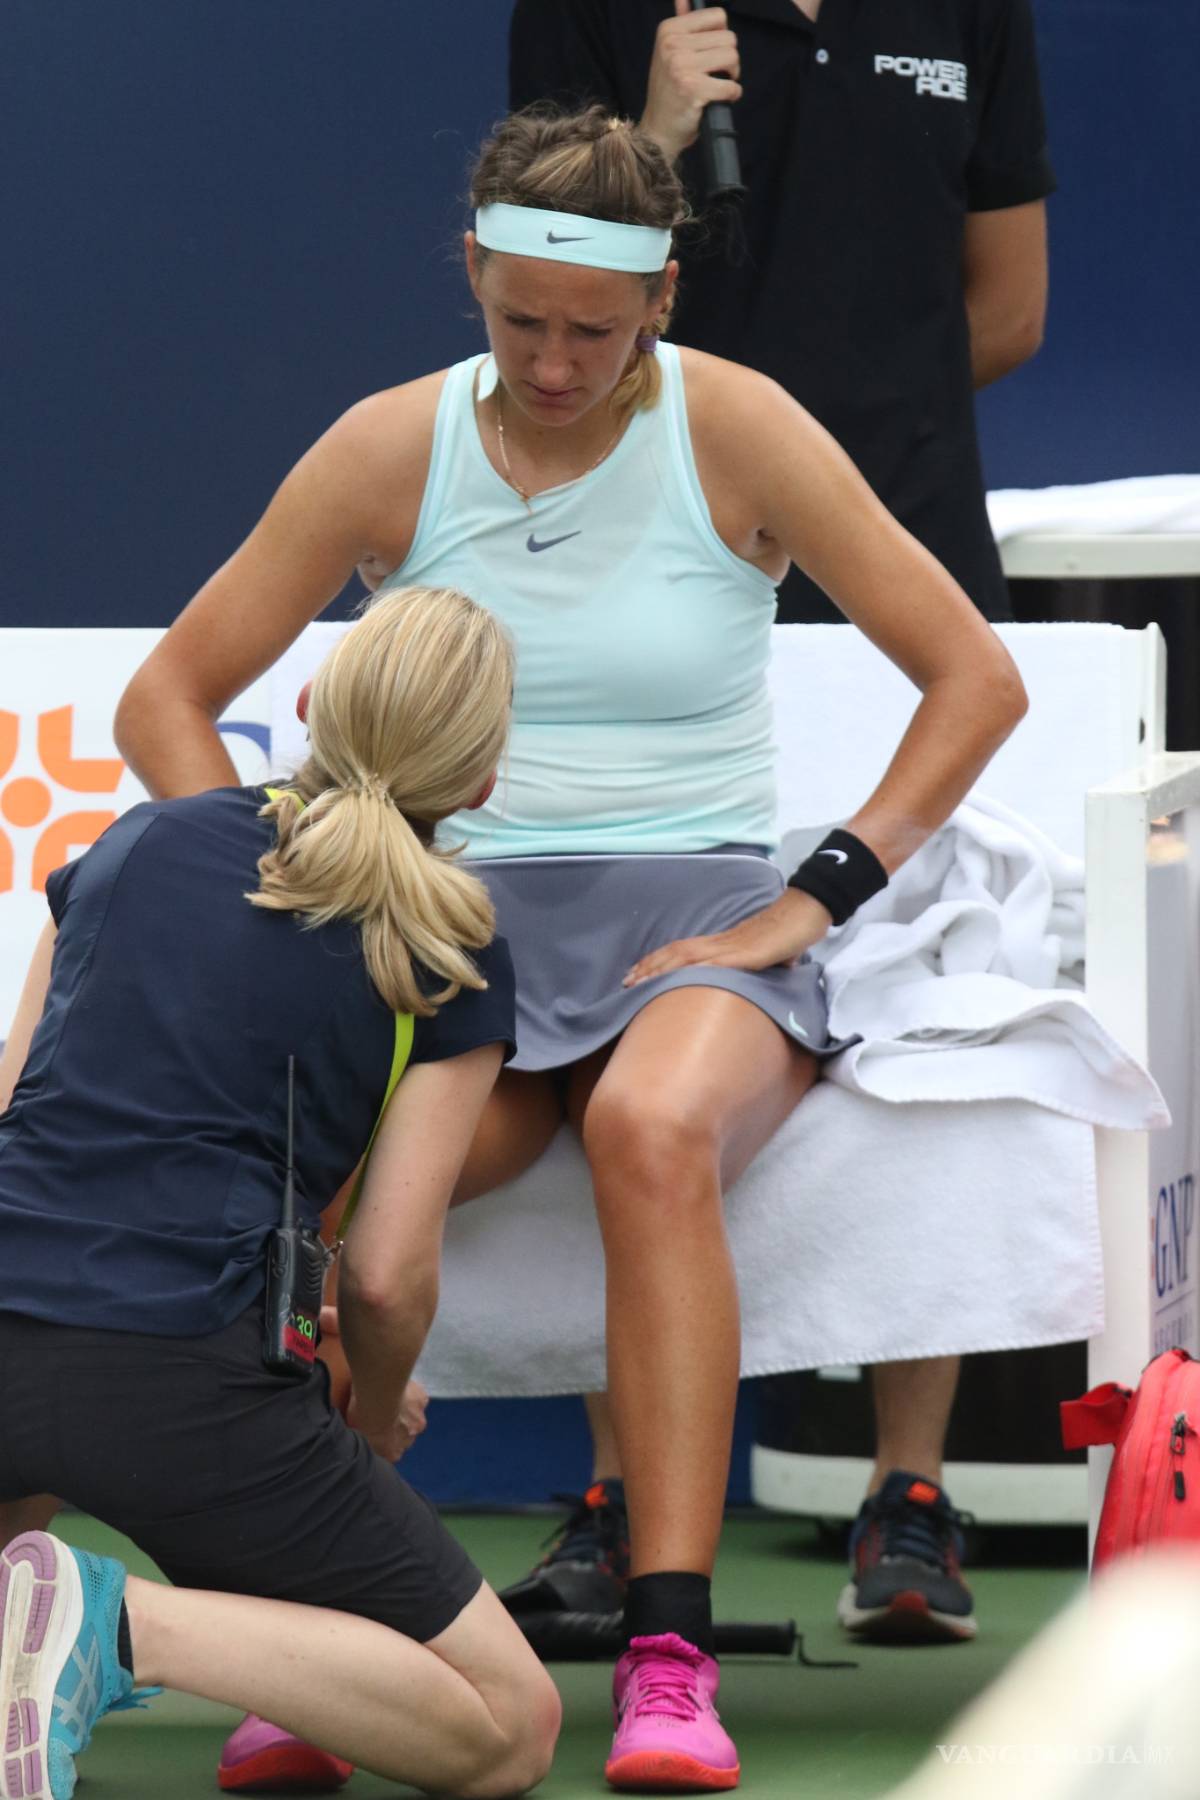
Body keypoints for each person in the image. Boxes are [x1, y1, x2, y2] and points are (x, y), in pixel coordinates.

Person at [111, 106, 1026, 1792]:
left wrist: (810, 899)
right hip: (464, 946)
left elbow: (977, 681)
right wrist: (303, 889)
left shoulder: (741, 429)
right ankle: (329, 1643)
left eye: (593, 331)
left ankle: (671, 1659)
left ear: (662, 300)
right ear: (469, 272)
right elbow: (166, 698)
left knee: (651, 1127)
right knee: (329, 1193)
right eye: (518, 319)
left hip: (701, 932)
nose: (551, 363)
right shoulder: (386, 446)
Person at [507, 0, 1056, 1643]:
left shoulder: (974, 10)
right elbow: (552, 276)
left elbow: (1008, 307)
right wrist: (665, 137)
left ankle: (911, 1493)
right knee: (615, 994)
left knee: (918, 996)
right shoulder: (602, 12)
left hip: (896, 552)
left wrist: (793, 465)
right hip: (647, 570)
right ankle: (612, 1507)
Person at [0, 588, 563, 1800]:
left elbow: (13, 1118)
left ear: (308, 709)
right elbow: (383, 1272)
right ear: (479, 782)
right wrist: (364, 1424)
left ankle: (39, 1615)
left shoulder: (125, 848)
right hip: (179, 1383)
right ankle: (114, 1626)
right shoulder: (450, 944)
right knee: (507, 1729)